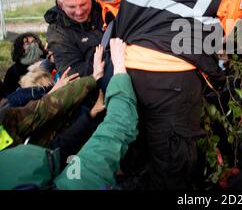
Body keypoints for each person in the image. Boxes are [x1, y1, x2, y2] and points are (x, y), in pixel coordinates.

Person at [88, 0, 242, 189]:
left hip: (125, 70)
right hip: (176, 84)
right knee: (170, 170)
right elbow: (228, 43)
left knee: (129, 156)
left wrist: (130, 10)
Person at [0, 38, 138, 190]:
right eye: (26, 43)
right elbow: (113, 133)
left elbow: (45, 110)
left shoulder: (8, 120)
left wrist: (93, 79)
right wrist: (119, 71)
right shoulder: (70, 178)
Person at [0, 45, 105, 150]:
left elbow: (42, 109)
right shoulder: (17, 99)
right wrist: (90, 115)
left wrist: (54, 90)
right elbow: (57, 151)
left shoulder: (8, 115)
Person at [45, 0, 103, 77]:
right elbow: (71, 73)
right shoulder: (57, 31)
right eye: (72, 7)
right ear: (61, 4)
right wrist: (106, 60)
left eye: (83, 4)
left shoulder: (104, 10)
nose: (79, 12)